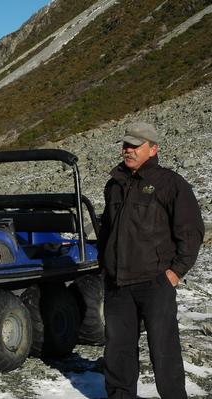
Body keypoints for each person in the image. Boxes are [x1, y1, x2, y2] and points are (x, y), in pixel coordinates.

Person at [97, 122, 204, 399]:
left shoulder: (170, 183)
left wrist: (175, 272)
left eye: (135, 145)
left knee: (164, 350)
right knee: (117, 351)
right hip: (118, 285)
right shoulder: (114, 185)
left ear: (153, 148)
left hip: (155, 282)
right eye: (126, 145)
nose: (128, 150)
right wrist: (104, 267)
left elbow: (191, 231)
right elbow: (107, 231)